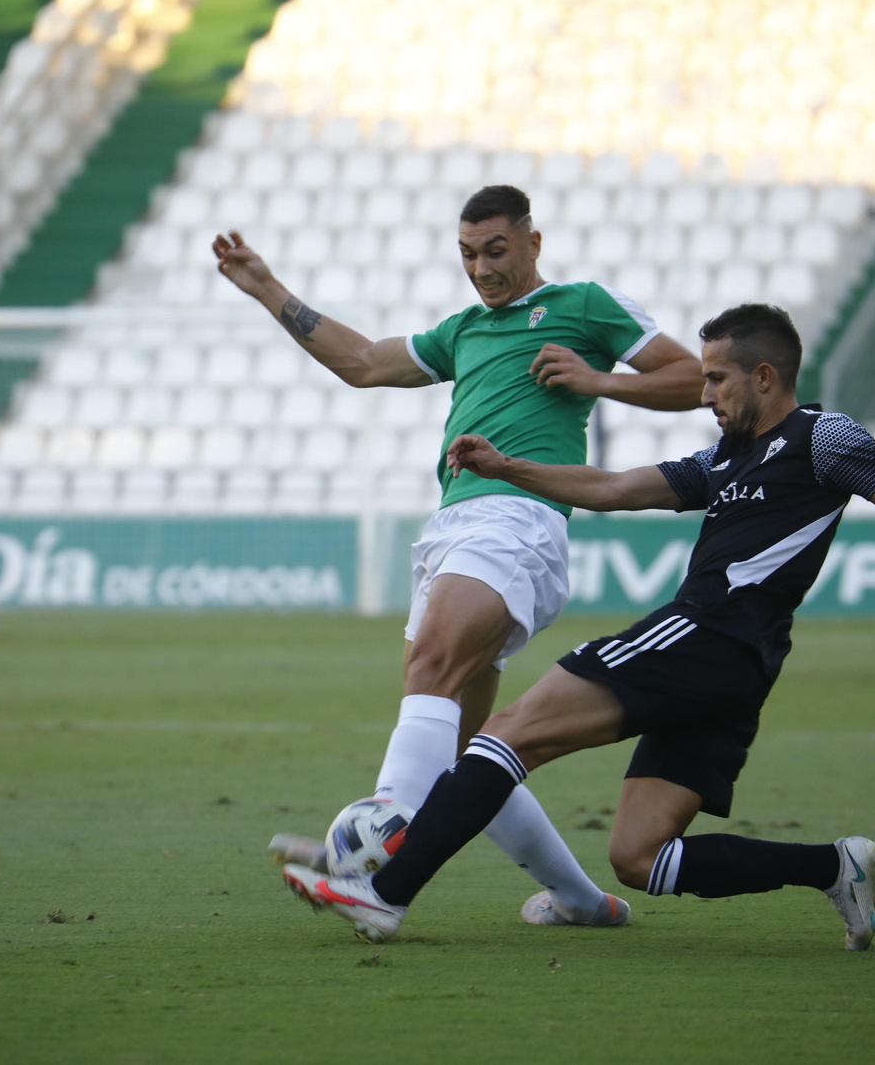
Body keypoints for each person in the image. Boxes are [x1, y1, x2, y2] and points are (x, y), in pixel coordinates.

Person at [280, 302, 875, 945]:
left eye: (719, 378)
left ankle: (386, 892)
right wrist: (510, 467)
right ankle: (833, 866)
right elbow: (617, 488)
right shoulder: (725, 458)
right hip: (737, 671)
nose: (708, 391)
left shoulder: (825, 438)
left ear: (766, 376)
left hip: (709, 635)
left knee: (503, 733)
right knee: (638, 856)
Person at [212, 184, 705, 926]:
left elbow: (695, 377)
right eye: (469, 254)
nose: (482, 268)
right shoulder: (465, 328)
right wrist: (265, 288)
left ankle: (378, 869)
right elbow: (363, 362)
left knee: (432, 665)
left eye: (497, 250)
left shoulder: (584, 305)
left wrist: (598, 379)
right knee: (469, 753)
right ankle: (581, 900)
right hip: (451, 528)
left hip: (519, 518)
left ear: (533, 242)